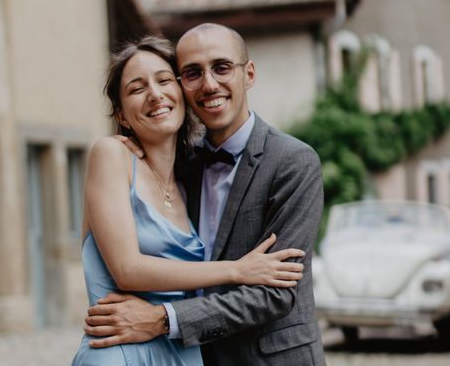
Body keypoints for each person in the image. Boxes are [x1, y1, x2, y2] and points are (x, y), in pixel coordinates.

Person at [85, 23, 326, 364]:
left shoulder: (293, 163)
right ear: (183, 86)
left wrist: (162, 319)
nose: (209, 84)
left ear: (250, 74)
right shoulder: (180, 167)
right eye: (193, 73)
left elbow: (275, 293)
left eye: (222, 67)